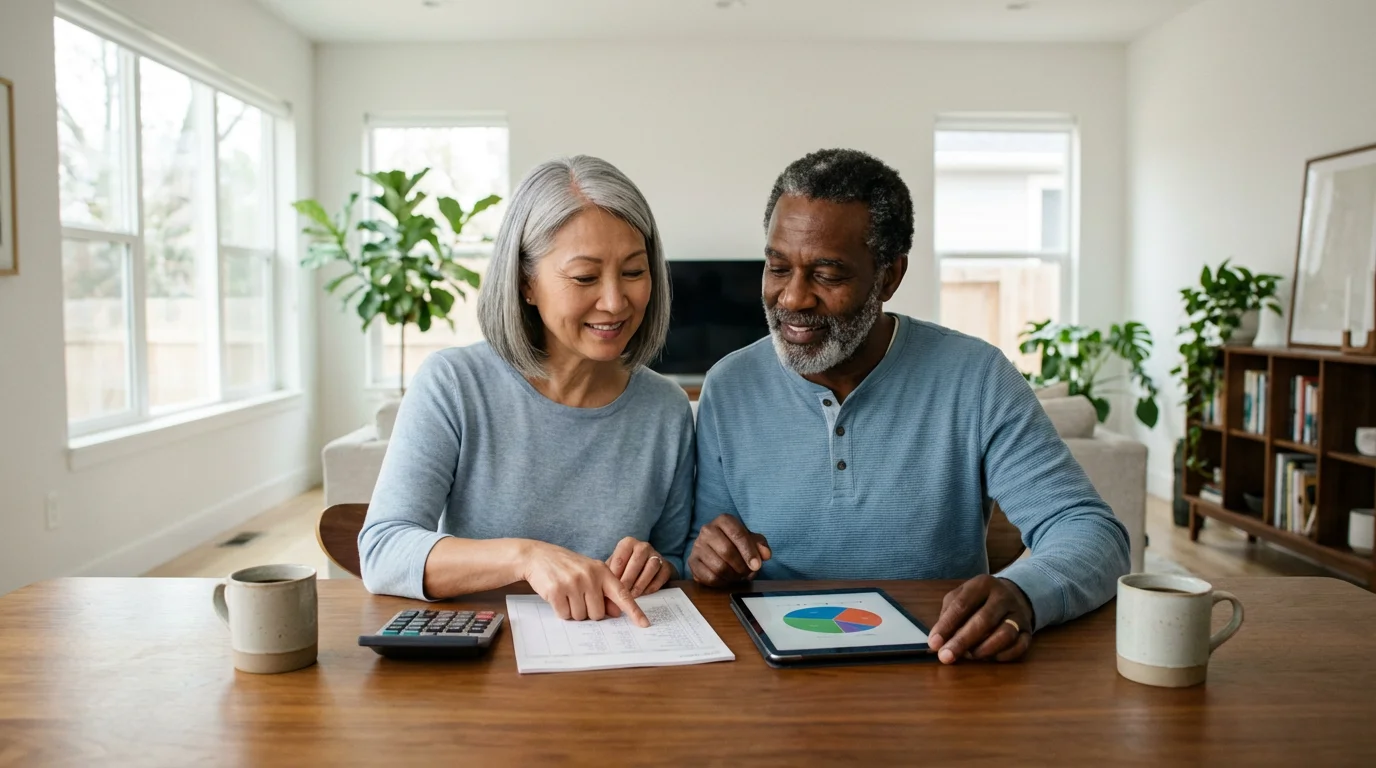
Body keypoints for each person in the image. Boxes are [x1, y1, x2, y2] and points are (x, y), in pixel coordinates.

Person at [687, 148, 1129, 661]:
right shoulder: (729, 385)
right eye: (778, 267)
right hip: (772, 664)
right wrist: (710, 556)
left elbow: (1093, 533)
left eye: (827, 274)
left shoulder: (976, 377)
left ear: (889, 276)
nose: (792, 298)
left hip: (940, 658)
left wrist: (1026, 592)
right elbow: (703, 547)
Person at [359, 156, 695, 628]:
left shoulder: (666, 408)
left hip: (616, 664)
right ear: (525, 283)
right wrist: (527, 558)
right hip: (482, 666)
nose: (616, 301)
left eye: (635, 272)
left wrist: (655, 564)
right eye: (584, 277)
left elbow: (675, 557)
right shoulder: (454, 384)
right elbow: (383, 551)